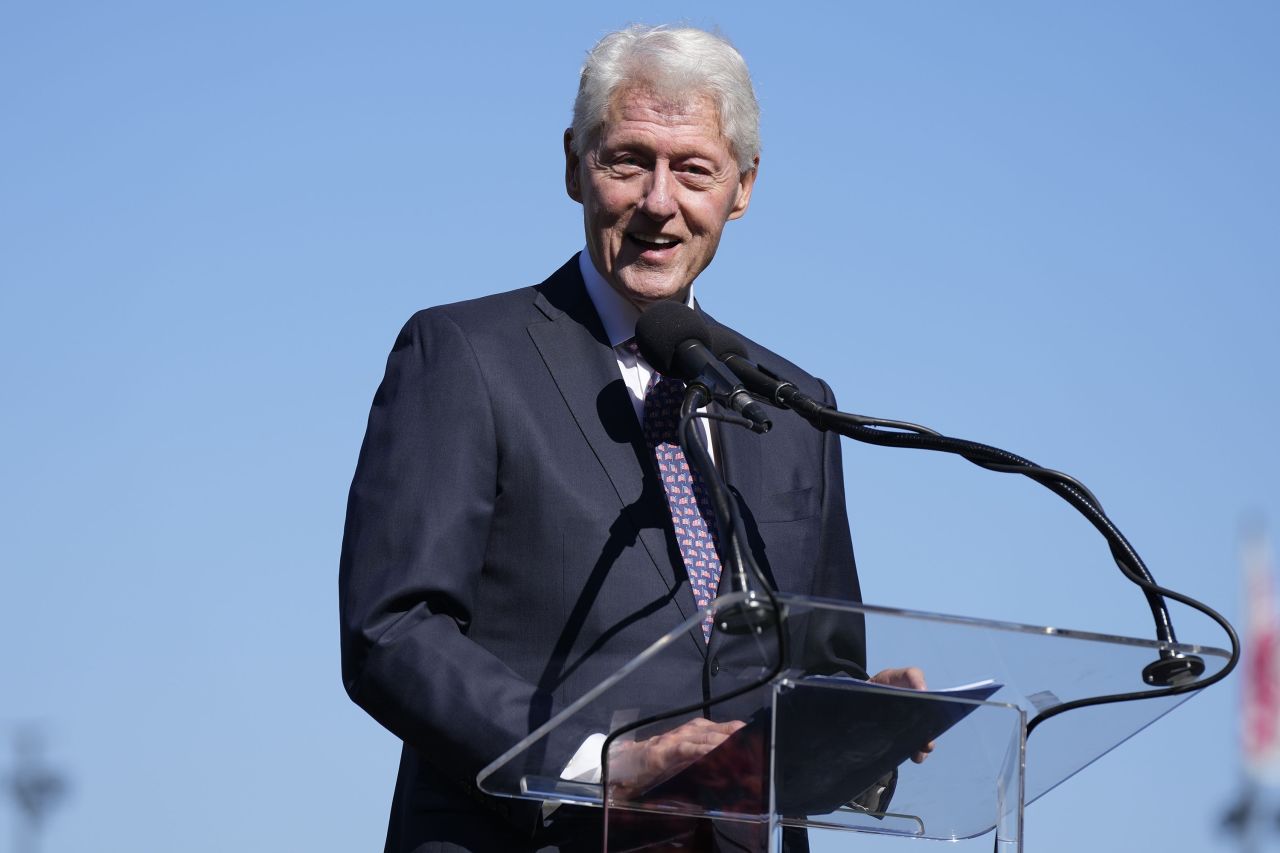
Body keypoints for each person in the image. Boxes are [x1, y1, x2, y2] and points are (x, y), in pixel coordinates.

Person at [339, 24, 920, 853]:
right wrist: (594, 764)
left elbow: (820, 663)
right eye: (628, 161)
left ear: (743, 186)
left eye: (694, 170)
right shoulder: (463, 355)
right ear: (575, 164)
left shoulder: (795, 407)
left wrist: (863, 729)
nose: (658, 201)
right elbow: (392, 631)